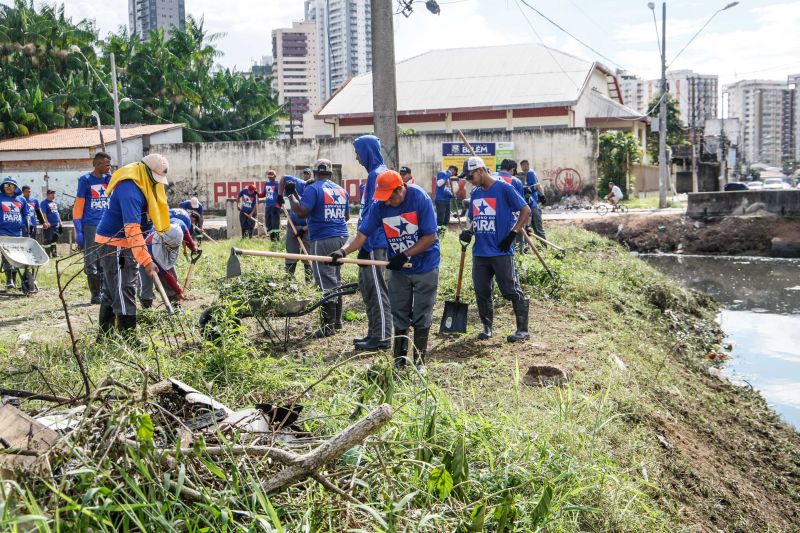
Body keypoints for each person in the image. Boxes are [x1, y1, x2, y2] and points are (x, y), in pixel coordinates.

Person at [332, 170, 439, 367]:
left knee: (422, 315)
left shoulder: (419, 198)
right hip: (398, 269)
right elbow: (362, 235)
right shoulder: (380, 205)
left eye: (390, 197)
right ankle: (399, 361)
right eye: (384, 198)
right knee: (399, 313)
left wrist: (406, 254)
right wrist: (342, 252)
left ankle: (420, 363)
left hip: (425, 265)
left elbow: (430, 237)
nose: (387, 202)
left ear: (400, 189)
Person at [94, 154, 171, 339]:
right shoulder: (129, 189)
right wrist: (146, 260)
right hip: (117, 243)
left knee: (113, 290)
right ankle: (129, 338)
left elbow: (147, 221)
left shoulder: (145, 184)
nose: (157, 183)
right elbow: (132, 229)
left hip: (126, 242)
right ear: (145, 171)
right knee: (124, 288)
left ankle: (105, 336)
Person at [459, 156, 531, 343]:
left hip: (501, 251)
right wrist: (470, 232)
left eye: (470, 176)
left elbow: (526, 211)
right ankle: (487, 327)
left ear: (481, 171)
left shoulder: (504, 188)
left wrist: (513, 234)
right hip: (480, 252)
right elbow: (478, 217)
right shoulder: (476, 193)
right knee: (482, 291)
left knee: (511, 290)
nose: (469, 180)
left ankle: (522, 330)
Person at [287, 159, 349, 337]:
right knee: (335, 278)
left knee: (324, 281)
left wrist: (291, 195)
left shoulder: (313, 189)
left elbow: (301, 211)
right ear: (330, 174)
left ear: (314, 173)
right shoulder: (340, 189)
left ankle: (327, 326)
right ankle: (337, 322)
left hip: (323, 238)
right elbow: (345, 216)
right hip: (342, 238)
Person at [353, 134, 392, 350]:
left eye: (358, 152)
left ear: (367, 151)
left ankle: (383, 337)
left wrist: (365, 244)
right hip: (369, 243)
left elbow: (376, 216)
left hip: (377, 243)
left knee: (378, 290)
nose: (356, 158)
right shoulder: (373, 176)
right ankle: (373, 333)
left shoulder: (378, 175)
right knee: (368, 290)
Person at [139, 210, 199, 308]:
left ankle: (175, 304)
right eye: (171, 247)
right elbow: (165, 274)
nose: (173, 249)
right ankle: (147, 308)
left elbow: (186, 234)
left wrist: (193, 247)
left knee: (172, 281)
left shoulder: (179, 226)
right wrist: (179, 291)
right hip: (146, 256)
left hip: (162, 250)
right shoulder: (154, 248)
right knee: (146, 286)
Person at [73, 152, 112, 304]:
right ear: (97, 164)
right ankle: (95, 295)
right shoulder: (85, 180)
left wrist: (112, 179)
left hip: (107, 224)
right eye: (107, 164)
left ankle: (104, 291)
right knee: (91, 258)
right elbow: (79, 205)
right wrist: (78, 228)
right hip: (91, 224)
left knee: (105, 258)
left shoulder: (109, 179)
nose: (109, 167)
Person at [279, 174, 312, 280]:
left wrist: (304, 229)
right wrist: (279, 196)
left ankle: (309, 281)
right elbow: (283, 178)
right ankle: (288, 281)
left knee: (309, 255)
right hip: (292, 224)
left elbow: (319, 219)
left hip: (309, 228)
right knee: (291, 254)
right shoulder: (299, 183)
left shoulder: (318, 193)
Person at [0, 177, 30, 288]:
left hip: (18, 233)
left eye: (11, 185)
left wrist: (27, 225)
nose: (8, 187)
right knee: (7, 256)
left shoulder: (21, 199)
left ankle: (16, 279)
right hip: (3, 232)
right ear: (3, 186)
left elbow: (25, 214)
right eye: (6, 185)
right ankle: (9, 280)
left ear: (15, 187)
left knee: (17, 257)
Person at [494, 160, 526, 252]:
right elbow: (521, 206)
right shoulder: (515, 181)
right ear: (512, 170)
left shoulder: (490, 176)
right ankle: (518, 259)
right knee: (511, 245)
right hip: (509, 219)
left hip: (489, 217)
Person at [520, 160, 546, 240]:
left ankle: (544, 247)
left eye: (524, 166)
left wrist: (542, 196)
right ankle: (527, 248)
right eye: (522, 166)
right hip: (529, 204)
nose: (523, 168)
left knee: (537, 229)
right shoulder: (526, 175)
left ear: (527, 165)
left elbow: (537, 185)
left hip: (532, 203)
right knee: (527, 229)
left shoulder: (530, 173)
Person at [40, 190, 62, 257]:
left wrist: (60, 222)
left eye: (54, 194)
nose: (53, 195)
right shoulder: (44, 203)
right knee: (48, 240)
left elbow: (57, 213)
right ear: (47, 195)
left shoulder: (54, 203)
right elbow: (43, 213)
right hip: (49, 225)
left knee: (54, 240)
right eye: (52, 194)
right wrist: (46, 222)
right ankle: (47, 255)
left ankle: (54, 254)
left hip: (56, 225)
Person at [263, 170, 280, 241]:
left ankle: (276, 239)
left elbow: (280, 195)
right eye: (269, 177)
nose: (270, 178)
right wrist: (257, 194)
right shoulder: (267, 184)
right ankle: (272, 239)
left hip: (275, 207)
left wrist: (278, 205)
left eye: (271, 177)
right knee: (268, 223)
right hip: (268, 207)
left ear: (275, 177)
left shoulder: (278, 184)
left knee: (275, 224)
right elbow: (264, 193)